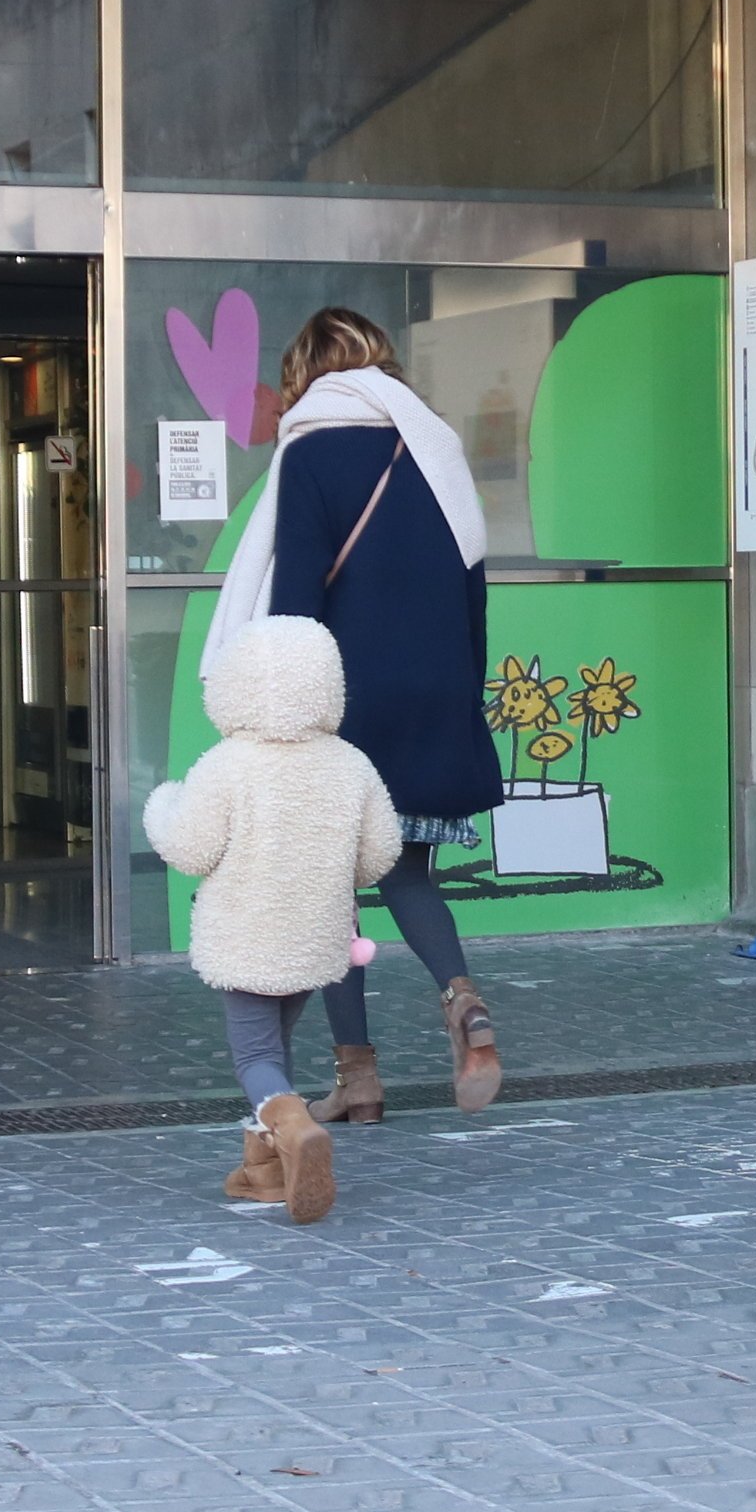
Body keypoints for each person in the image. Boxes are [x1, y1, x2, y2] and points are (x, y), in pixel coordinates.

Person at [208, 308, 503, 1120]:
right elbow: (473, 587)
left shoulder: (312, 449)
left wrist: (278, 707)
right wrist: (460, 696)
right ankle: (463, 999)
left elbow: (299, 600)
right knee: (408, 871)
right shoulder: (435, 446)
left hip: (347, 702)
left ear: (306, 371)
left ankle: (358, 1078)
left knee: (331, 894)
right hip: (437, 689)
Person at [143, 615, 403, 1226]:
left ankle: (293, 1127)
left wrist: (161, 806)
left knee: (255, 1054)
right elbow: (379, 854)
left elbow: (189, 849)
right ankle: (265, 1170)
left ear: (234, 685)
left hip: (245, 932)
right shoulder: (350, 764)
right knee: (276, 1044)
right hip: (315, 934)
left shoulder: (228, 764)